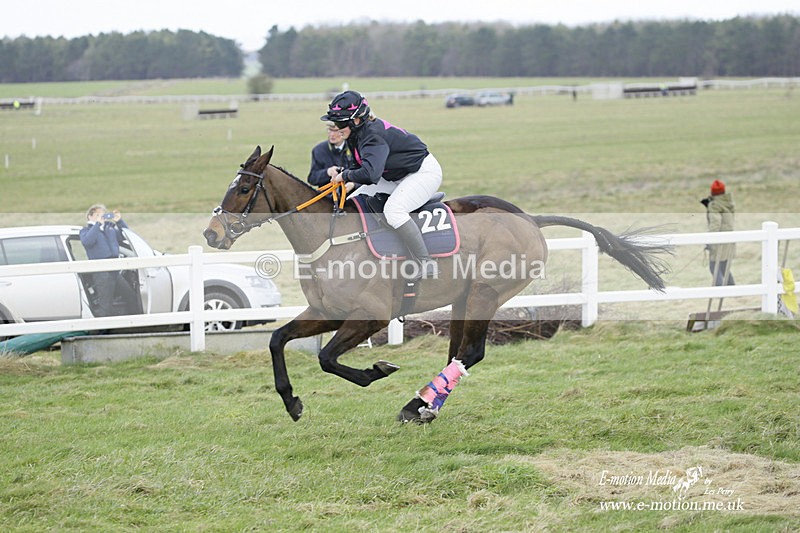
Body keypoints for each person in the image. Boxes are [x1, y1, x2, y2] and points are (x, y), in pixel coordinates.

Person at [321, 90, 442, 279]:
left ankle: (426, 262)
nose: (336, 128)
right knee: (353, 200)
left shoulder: (372, 135)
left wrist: (345, 176)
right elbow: (359, 164)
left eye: (341, 123)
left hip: (422, 173)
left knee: (393, 211)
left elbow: (371, 174)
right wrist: (351, 182)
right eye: (335, 123)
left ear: (356, 120)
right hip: (395, 175)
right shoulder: (356, 135)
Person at [79, 204, 139, 316]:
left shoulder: (109, 229)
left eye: (103, 215)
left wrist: (119, 221)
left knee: (130, 296)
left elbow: (125, 235)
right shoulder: (86, 231)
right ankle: (102, 330)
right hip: (101, 271)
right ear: (90, 216)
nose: (102, 217)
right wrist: (97, 225)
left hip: (115, 269)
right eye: (98, 215)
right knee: (105, 303)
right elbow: (88, 241)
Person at [702, 179, 736, 286]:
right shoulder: (728, 204)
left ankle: (721, 292)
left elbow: (715, 225)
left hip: (719, 243)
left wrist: (710, 241)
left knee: (714, 267)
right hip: (729, 241)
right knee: (724, 267)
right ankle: (734, 290)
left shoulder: (715, 205)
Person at [307, 123, 355, 187]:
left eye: (336, 131)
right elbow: (312, 179)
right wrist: (327, 172)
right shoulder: (319, 150)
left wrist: (354, 184)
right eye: (330, 130)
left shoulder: (354, 148)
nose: (332, 134)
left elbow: (365, 174)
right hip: (328, 194)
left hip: (351, 192)